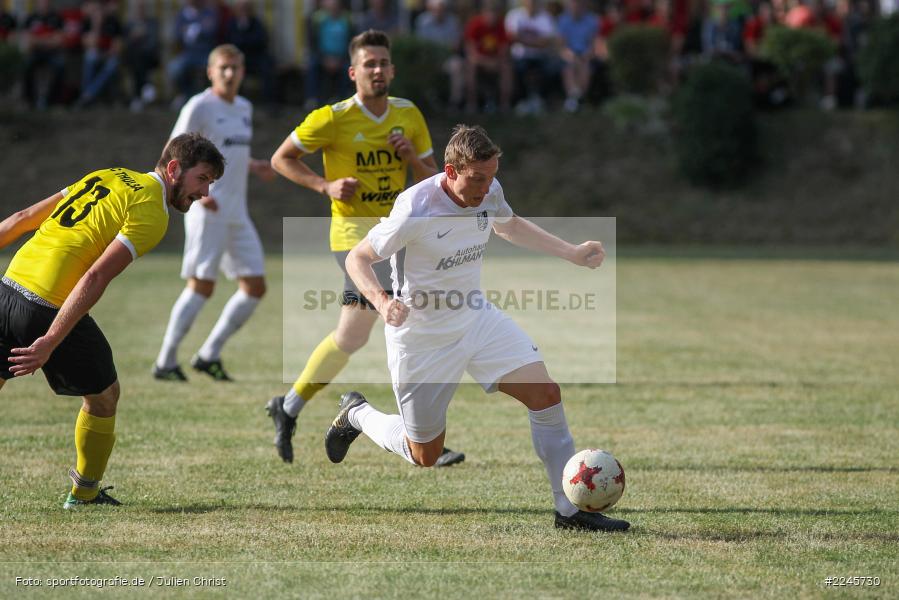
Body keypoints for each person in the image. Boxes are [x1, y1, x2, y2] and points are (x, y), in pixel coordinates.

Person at [323, 124, 629, 532]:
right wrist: (381, 301)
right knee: (424, 454)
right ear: (451, 171)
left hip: (476, 318)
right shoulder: (416, 207)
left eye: (491, 177)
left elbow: (510, 225)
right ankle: (357, 414)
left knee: (545, 394)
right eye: (477, 179)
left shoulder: (489, 189)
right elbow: (357, 258)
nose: (486, 189)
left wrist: (571, 252)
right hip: (422, 336)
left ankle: (570, 511)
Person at [267, 29, 463, 467]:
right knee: (414, 323)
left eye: (383, 63)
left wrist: (411, 157)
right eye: (368, 64)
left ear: (392, 70)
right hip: (354, 239)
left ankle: (289, 406)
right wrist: (325, 185)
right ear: (353, 72)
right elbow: (281, 159)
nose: (377, 70)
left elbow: (436, 179)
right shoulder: (331, 118)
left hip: (398, 235)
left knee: (350, 337)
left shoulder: (408, 114)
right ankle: (418, 438)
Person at [0, 133, 224, 509]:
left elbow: (22, 220)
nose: (204, 193)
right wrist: (51, 339)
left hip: (7, 288)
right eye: (201, 179)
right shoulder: (152, 210)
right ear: (173, 169)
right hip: (47, 305)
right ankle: (85, 492)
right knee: (104, 396)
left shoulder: (105, 175)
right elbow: (96, 276)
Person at [154, 44, 275, 383]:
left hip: (237, 212)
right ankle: (165, 361)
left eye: (235, 67)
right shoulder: (199, 106)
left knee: (255, 286)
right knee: (202, 286)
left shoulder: (244, 107)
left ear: (243, 71)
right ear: (210, 72)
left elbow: (227, 155)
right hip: (208, 209)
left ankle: (209, 354)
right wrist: (190, 194)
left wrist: (253, 165)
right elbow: (172, 153)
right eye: (223, 67)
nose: (229, 73)